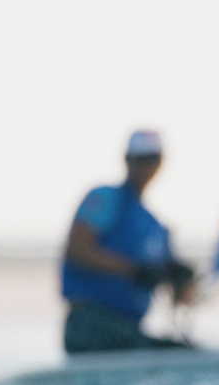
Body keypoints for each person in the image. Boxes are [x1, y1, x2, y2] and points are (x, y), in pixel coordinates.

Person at [60, 129, 196, 354]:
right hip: (91, 323)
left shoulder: (156, 226)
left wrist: (181, 278)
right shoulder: (105, 198)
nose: (146, 166)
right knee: (178, 355)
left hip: (130, 328)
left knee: (184, 353)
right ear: (127, 160)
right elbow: (77, 249)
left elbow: (181, 300)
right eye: (141, 159)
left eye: (153, 159)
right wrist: (134, 271)